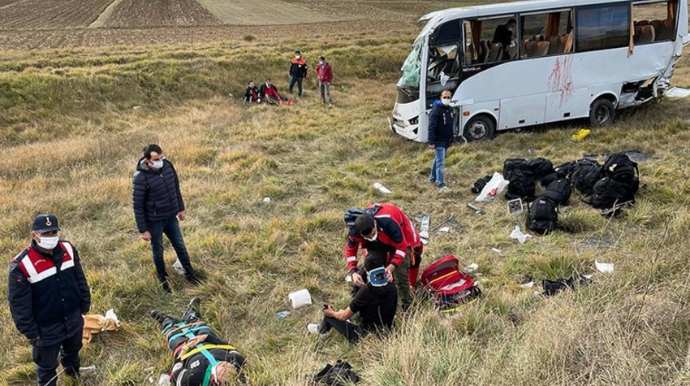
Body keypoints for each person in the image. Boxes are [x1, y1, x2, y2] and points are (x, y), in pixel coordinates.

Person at [8, 214, 91, 386]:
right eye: (46, 234)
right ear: (34, 235)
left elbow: (79, 277)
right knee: (46, 367)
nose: (51, 237)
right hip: (45, 327)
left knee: (73, 351)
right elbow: (18, 305)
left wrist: (85, 302)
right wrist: (31, 332)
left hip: (72, 316)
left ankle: (73, 375)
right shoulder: (21, 265)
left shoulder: (68, 249)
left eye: (54, 232)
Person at [133, 144, 200, 292]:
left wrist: (180, 209)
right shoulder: (141, 177)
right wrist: (143, 229)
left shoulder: (168, 166)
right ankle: (164, 282)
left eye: (161, 157)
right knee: (158, 251)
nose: (160, 161)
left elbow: (175, 188)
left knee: (180, 247)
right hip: (154, 221)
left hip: (171, 217)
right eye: (156, 159)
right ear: (147, 159)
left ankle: (191, 275)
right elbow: (137, 205)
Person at [344, 203, 423, 311]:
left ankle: (406, 306)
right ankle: (376, 296)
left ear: (375, 224)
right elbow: (350, 251)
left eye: (372, 234)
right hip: (378, 241)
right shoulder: (355, 232)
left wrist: (391, 267)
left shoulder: (389, 223)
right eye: (368, 237)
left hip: (399, 237)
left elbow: (401, 248)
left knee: (400, 274)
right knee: (373, 263)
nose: (372, 237)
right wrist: (353, 272)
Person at [151, 298, 245, 385]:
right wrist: (207, 337)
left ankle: (165, 320)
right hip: (207, 341)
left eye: (223, 372)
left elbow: (175, 373)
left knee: (174, 336)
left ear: (216, 381)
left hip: (186, 351)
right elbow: (229, 347)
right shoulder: (237, 361)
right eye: (231, 368)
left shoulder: (193, 379)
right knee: (202, 327)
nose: (226, 366)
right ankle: (191, 315)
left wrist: (185, 349)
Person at [310, 253, 397, 343]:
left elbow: (343, 316)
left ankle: (321, 331)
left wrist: (332, 313)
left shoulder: (366, 291)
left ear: (366, 270)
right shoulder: (393, 287)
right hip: (386, 333)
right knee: (354, 312)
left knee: (330, 316)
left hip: (364, 337)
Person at [428, 89, 454, 192]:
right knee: (440, 163)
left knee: (437, 160)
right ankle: (441, 185)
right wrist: (431, 141)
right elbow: (431, 127)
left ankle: (432, 178)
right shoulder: (436, 110)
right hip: (438, 141)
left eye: (448, 97)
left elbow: (450, 125)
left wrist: (451, 139)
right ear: (440, 97)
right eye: (445, 97)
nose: (447, 99)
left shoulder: (450, 109)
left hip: (446, 140)